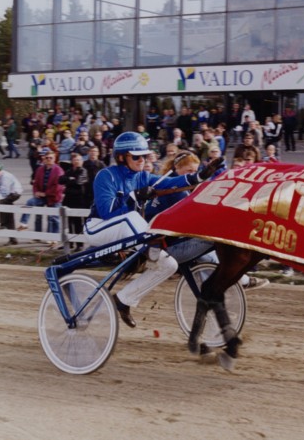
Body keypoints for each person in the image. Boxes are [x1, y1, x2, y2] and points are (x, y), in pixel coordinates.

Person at [83, 132, 222, 328]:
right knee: (132, 217)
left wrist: (199, 176)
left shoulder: (142, 176)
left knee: (169, 265)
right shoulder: (106, 176)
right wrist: (133, 196)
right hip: (98, 228)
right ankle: (150, 249)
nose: (142, 160)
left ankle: (124, 299)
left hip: (127, 230)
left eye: (144, 156)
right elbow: (107, 212)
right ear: (121, 157)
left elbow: (170, 182)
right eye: (136, 157)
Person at [144, 150, 268, 291]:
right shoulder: (178, 191)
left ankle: (228, 281)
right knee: (213, 238)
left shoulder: (172, 185)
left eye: (195, 171)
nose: (193, 175)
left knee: (206, 240)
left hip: (165, 244)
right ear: (177, 168)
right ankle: (236, 280)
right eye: (189, 171)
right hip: (165, 250)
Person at [18, 150, 65, 242]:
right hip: (41, 196)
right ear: (44, 159)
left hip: (54, 197)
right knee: (31, 204)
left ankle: (53, 238)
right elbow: (35, 183)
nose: (48, 159)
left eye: (51, 158)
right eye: (47, 158)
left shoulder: (59, 170)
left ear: (54, 159)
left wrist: (46, 193)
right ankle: (25, 225)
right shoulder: (40, 169)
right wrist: (36, 192)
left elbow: (58, 186)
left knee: (53, 218)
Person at [58, 153, 90, 251]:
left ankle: (79, 244)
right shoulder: (69, 171)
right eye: (75, 160)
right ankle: (70, 243)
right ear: (72, 161)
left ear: (82, 161)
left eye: (79, 160)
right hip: (68, 199)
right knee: (68, 222)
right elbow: (60, 180)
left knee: (77, 222)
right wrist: (70, 179)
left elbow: (78, 182)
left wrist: (69, 181)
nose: (77, 162)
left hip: (78, 199)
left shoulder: (83, 171)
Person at [0, 163, 23, 245]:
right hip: (7, 194)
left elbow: (4, 192)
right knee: (9, 216)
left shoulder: (5, 177)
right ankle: (13, 239)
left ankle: (3, 223)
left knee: (3, 203)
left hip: (15, 193)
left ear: (1, 170)